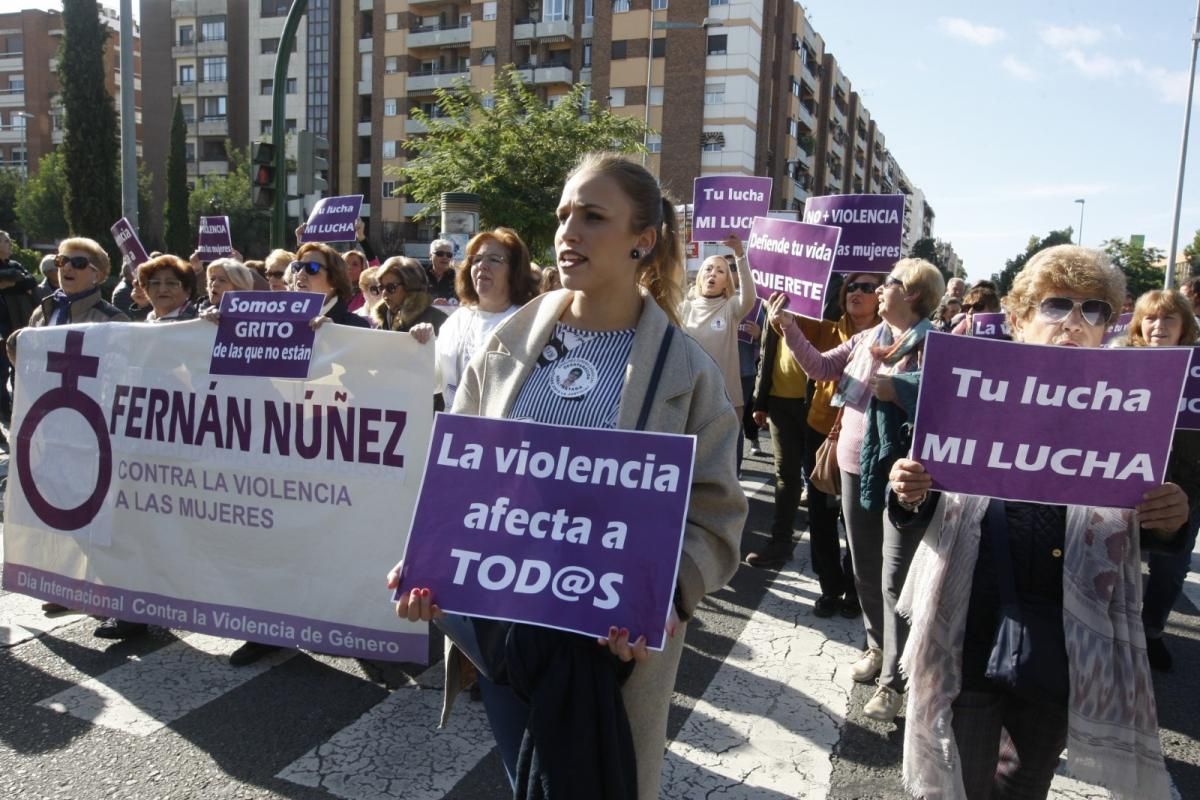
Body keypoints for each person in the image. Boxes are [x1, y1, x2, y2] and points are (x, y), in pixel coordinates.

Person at [391, 153, 746, 800]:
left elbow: (718, 519)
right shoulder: (505, 346)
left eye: (592, 215)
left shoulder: (688, 375)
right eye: (562, 215)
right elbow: (460, 475)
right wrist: (428, 561)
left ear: (644, 239)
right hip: (498, 629)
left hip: (602, 651)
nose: (567, 232)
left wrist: (668, 596)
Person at [891, 245, 1184, 800]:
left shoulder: (1132, 412)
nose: (1075, 322)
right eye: (1057, 305)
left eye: (1094, 309)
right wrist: (908, 492)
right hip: (973, 626)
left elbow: (1150, 522)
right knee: (965, 780)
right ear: (1020, 317)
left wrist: (1170, 516)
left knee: (1025, 784)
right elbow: (924, 502)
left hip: (1068, 636)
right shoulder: (971, 390)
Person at [769, 258, 944, 722]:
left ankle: (893, 680)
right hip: (851, 465)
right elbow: (821, 367)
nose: (879, 289)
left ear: (911, 293)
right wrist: (787, 326)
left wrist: (902, 388)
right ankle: (876, 646)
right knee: (865, 567)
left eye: (887, 283)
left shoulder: (934, 345)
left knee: (895, 578)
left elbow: (947, 395)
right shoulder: (868, 339)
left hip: (904, 476)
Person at [9, 238, 132, 629]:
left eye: (78, 262)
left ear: (97, 273)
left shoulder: (111, 317)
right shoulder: (43, 311)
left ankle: (109, 597)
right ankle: (65, 587)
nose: (67, 267)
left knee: (94, 516)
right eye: (63, 260)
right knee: (57, 513)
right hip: (50, 428)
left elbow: (122, 372)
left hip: (92, 432)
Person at [748, 272, 883, 623]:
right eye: (852, 286)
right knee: (822, 515)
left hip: (868, 438)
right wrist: (783, 315)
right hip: (823, 430)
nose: (858, 292)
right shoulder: (826, 327)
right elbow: (797, 342)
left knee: (858, 519)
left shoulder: (890, 337)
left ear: (880, 295)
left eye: (867, 287)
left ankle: (856, 590)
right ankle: (830, 587)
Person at [1123, 289, 1200, 672]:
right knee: (1118, 563)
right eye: (1150, 318)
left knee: (1171, 569)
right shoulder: (1120, 362)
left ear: (1185, 326)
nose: (1158, 326)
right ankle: (1115, 636)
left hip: (1185, 488)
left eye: (1168, 318)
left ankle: (1152, 632)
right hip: (1125, 485)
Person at [435, 228, 538, 408]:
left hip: (503, 431)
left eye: (494, 259)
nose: (482, 265)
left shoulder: (528, 322)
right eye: (477, 259)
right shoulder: (457, 320)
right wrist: (419, 347)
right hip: (453, 429)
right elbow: (434, 380)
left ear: (514, 271)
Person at [679, 238, 756, 473]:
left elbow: (749, 297)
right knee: (692, 459)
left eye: (720, 270)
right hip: (690, 395)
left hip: (725, 397)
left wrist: (740, 255)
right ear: (700, 276)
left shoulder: (731, 306)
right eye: (708, 269)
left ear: (726, 283)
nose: (713, 274)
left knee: (723, 462)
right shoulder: (684, 307)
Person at [291, 242, 371, 329]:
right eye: (297, 266)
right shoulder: (278, 321)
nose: (300, 274)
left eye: (312, 268)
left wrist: (334, 333)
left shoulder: (357, 326)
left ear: (334, 280)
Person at [138, 255, 198, 322]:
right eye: (155, 283)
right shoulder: (146, 323)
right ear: (146, 289)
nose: (162, 290)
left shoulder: (201, 323)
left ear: (188, 290)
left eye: (171, 283)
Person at [427, 237, 459, 304]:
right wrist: (431, 303)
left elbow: (467, 301)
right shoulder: (420, 276)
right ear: (430, 255)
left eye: (449, 255)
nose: (445, 257)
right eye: (440, 254)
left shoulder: (459, 278)